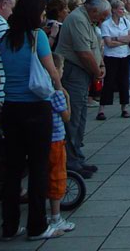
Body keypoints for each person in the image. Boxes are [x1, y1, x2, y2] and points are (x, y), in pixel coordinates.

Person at [0, 0, 65, 240]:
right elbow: (52, 71)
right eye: (42, 11)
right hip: (36, 106)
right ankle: (37, 226)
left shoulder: (6, 38)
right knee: (38, 167)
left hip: (11, 106)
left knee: (13, 169)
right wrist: (60, 90)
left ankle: (9, 226)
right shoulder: (37, 36)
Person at [56, 0, 110, 177]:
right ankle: (71, 161)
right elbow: (83, 52)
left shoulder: (87, 20)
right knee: (74, 117)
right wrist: (97, 71)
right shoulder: (77, 19)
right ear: (94, 11)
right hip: (74, 71)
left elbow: (94, 48)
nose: (102, 21)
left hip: (82, 72)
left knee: (80, 116)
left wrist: (101, 65)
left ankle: (77, 157)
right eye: (102, 17)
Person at [47, 52, 75, 233]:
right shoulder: (56, 94)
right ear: (55, 70)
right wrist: (68, 99)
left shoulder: (43, 91)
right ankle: (56, 216)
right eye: (62, 68)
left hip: (44, 139)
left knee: (45, 173)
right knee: (57, 174)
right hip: (56, 139)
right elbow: (66, 116)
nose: (63, 71)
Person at [96, 0, 130, 121]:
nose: (123, 11)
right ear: (114, 10)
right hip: (111, 56)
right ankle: (101, 110)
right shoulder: (106, 24)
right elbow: (108, 43)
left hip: (125, 55)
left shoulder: (126, 22)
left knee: (124, 82)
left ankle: (124, 108)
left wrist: (116, 38)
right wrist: (122, 40)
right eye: (121, 9)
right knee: (109, 82)